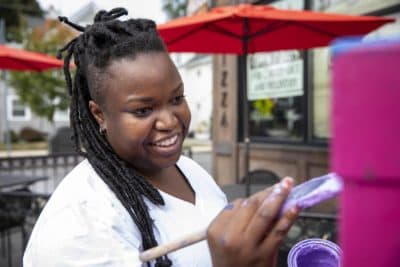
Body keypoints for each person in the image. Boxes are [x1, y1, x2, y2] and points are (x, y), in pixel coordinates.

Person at [23, 8, 299, 267]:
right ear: (100, 115)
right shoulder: (79, 226)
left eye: (177, 98)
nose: (170, 122)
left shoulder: (189, 170)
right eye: (143, 110)